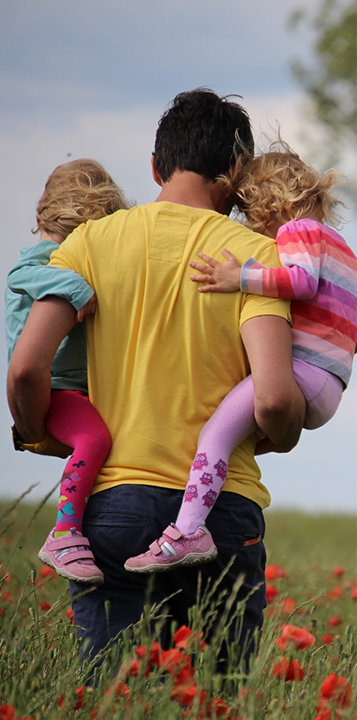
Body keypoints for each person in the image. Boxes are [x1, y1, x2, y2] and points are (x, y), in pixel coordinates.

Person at [7, 89, 305, 671]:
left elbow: (25, 367)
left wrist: (39, 430)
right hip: (221, 511)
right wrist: (285, 430)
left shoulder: (89, 243)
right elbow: (272, 399)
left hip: (113, 506)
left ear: (154, 166)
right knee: (215, 699)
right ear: (237, 170)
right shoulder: (256, 259)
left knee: (115, 695)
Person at [125, 142, 357, 573]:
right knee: (235, 432)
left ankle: (188, 531)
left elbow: (301, 284)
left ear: (267, 203)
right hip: (330, 385)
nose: (251, 226)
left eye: (249, 214)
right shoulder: (343, 249)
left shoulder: (296, 231)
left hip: (302, 373)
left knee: (213, 435)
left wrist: (240, 277)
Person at [5, 158, 128, 583]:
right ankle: (65, 532)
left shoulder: (63, 255)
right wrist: (76, 287)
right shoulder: (45, 259)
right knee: (94, 438)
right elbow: (22, 274)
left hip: (74, 388)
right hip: (54, 388)